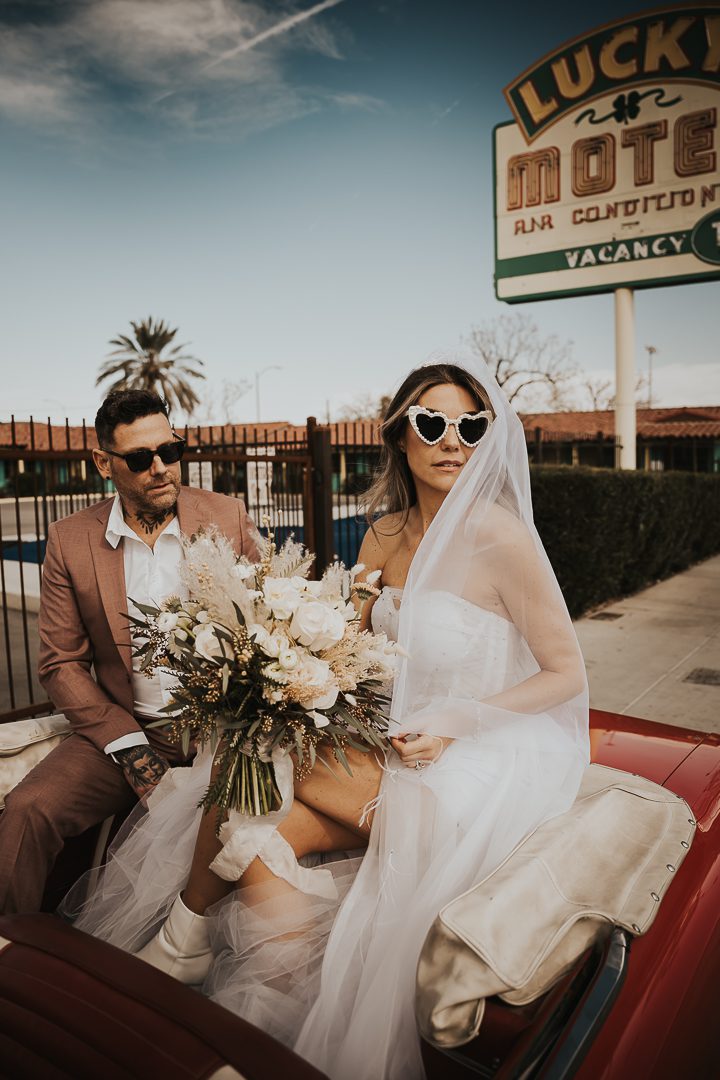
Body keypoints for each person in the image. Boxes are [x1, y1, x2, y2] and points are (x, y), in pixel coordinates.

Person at [64, 355, 590, 1080]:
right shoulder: (382, 535)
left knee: (250, 753)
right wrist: (292, 657)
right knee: (256, 836)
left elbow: (567, 675)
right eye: (432, 423)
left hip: (480, 759)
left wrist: (455, 724)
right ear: (400, 434)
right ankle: (271, 1014)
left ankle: (183, 939)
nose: (453, 441)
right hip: (397, 743)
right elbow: (353, 650)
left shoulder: (502, 539)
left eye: (472, 427)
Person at [0, 389, 260, 915]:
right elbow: (61, 662)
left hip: (226, 730)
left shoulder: (226, 516)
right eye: (140, 458)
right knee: (27, 810)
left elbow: (270, 617)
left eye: (170, 450)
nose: (161, 468)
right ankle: (14, 947)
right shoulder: (70, 540)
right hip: (127, 727)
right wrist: (131, 749)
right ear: (104, 463)